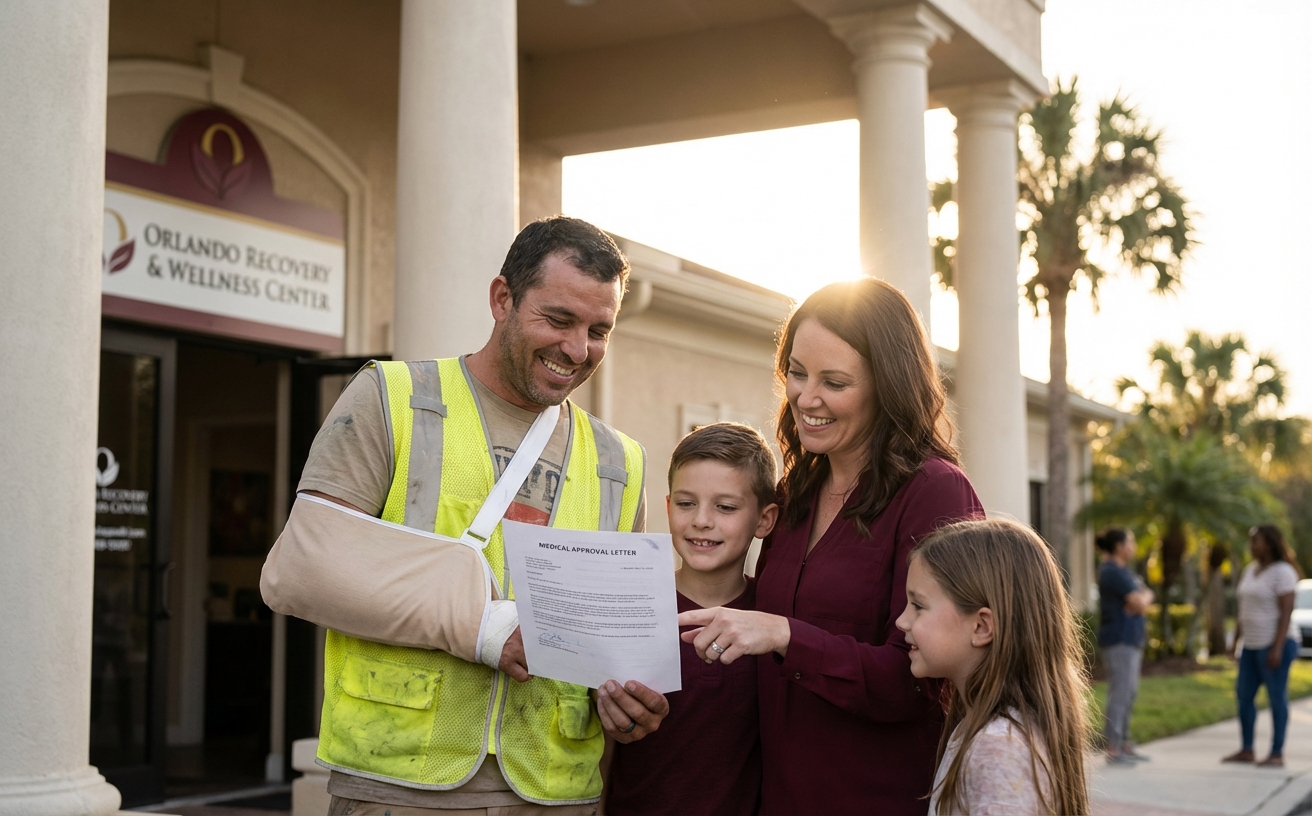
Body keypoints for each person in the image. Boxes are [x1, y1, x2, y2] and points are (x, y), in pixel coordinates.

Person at [260, 216, 669, 814]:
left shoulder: (620, 460)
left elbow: (614, 641)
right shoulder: (393, 399)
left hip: (558, 793)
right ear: (502, 298)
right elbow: (301, 573)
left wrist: (629, 702)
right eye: (557, 320)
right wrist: (484, 629)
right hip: (401, 788)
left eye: (598, 330)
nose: (578, 350)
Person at [679, 278, 984, 814]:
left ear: (886, 386)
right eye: (796, 373)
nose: (805, 397)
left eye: (834, 382)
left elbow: (924, 677)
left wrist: (785, 634)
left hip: (876, 799)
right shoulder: (796, 492)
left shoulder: (935, 490)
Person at [605, 422, 778, 816]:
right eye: (686, 503)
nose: (701, 520)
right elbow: (605, 747)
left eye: (726, 507)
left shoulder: (773, 623)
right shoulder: (631, 607)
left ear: (764, 519)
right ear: (667, 507)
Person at [896, 518, 1091, 815]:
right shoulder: (985, 730)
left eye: (918, 606)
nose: (902, 621)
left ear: (982, 626)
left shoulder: (999, 747)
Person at [1224, 523, 1303, 768]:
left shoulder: (1283, 572)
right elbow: (1243, 610)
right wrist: (1235, 640)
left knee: (1276, 697)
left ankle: (1276, 753)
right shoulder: (1250, 570)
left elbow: (1286, 612)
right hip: (1251, 645)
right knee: (1244, 696)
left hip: (1276, 643)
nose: (1251, 546)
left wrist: (1277, 648)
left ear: (1268, 543)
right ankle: (1247, 749)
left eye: (1255, 541)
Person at [1096, 527, 1154, 766]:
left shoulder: (1124, 572)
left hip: (1130, 639)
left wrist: (1142, 599)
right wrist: (1140, 600)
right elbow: (1139, 599)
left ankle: (1124, 743)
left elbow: (1145, 597)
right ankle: (1113, 747)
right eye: (1130, 542)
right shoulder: (1112, 572)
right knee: (1120, 693)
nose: (1133, 546)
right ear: (1120, 546)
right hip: (1118, 640)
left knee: (1129, 692)